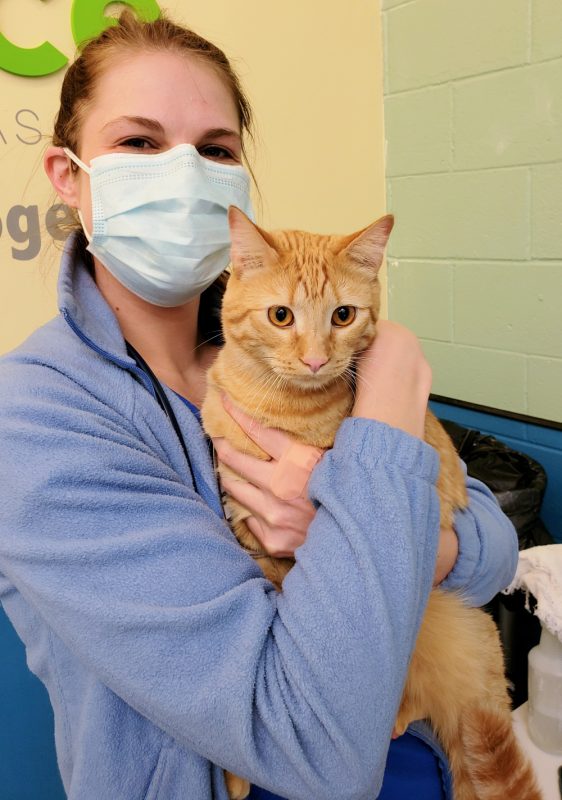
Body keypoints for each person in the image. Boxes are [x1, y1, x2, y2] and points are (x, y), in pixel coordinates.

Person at [0, 11, 517, 800]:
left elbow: (491, 546)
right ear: (68, 176)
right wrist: (381, 437)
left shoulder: (287, 352)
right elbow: (313, 749)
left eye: (213, 150)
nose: (181, 172)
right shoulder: (34, 417)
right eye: (138, 143)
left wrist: (405, 540)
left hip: (421, 761)